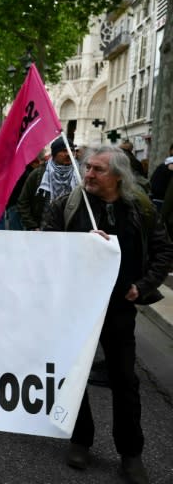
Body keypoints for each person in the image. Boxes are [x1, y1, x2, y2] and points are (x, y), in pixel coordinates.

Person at [42, 146, 173, 484]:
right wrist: (80, 246)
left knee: (124, 380)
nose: (88, 174)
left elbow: (163, 250)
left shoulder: (139, 208)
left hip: (118, 307)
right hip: (76, 305)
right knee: (74, 375)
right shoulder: (68, 205)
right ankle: (80, 440)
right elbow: (44, 244)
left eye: (98, 170)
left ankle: (131, 453)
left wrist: (142, 286)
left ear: (118, 176)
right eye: (87, 168)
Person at [17, 138, 78, 230]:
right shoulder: (38, 174)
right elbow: (23, 202)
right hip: (42, 230)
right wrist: (32, 226)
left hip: (69, 231)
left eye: (71, 150)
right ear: (54, 154)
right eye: (64, 151)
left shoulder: (80, 174)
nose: (69, 154)